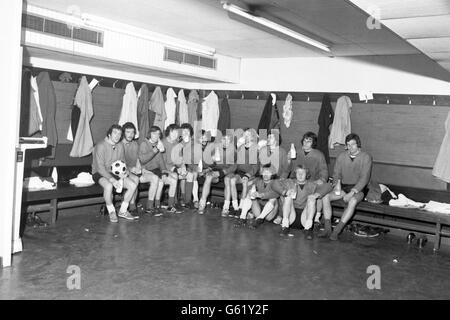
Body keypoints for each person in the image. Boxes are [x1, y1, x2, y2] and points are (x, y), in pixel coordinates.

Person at [319, 133, 372, 240]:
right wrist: (336, 184)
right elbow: (336, 174)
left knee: (352, 201)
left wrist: (352, 192)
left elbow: (364, 179)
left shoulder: (366, 157)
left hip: (358, 189)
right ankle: (327, 228)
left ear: (358, 145)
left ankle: (337, 231)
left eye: (353, 144)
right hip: (343, 187)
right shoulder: (342, 156)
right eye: (348, 145)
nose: (350, 147)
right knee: (325, 197)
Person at [92, 124, 138, 223]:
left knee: (133, 185)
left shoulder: (120, 145)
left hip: (114, 172)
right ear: (109, 134)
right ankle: (112, 211)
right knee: (108, 186)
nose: (117, 136)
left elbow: (122, 161)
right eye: (115, 133)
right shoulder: (100, 146)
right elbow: (100, 168)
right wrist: (112, 179)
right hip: (99, 172)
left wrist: (124, 172)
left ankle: (123, 210)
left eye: (119, 134)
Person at [288, 131, 331, 222]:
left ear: (313, 143)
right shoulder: (297, 152)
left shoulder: (318, 154)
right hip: (297, 181)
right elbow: (289, 169)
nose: (306, 143)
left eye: (309, 141)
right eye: (305, 140)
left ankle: (316, 217)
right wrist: (288, 160)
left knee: (322, 190)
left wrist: (322, 179)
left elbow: (324, 170)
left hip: (312, 182)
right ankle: (285, 216)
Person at [281, 165, 329, 239]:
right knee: (287, 197)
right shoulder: (289, 182)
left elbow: (328, 186)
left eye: (302, 173)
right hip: (290, 217)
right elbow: (274, 183)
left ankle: (308, 229)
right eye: (298, 173)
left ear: (306, 175)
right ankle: (284, 226)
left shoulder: (312, 184)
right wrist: (285, 192)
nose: (300, 175)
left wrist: (316, 195)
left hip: (305, 219)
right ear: (295, 174)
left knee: (311, 199)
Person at [138, 125, 175, 215]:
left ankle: (167, 206)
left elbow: (160, 161)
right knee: (157, 179)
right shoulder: (144, 144)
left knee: (173, 180)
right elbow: (143, 160)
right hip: (144, 172)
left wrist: (164, 171)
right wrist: (156, 149)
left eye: (158, 134)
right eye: (154, 134)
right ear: (150, 134)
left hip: (155, 171)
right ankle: (149, 207)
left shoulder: (157, 144)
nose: (157, 136)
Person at [230, 128, 259, 213]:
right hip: (240, 173)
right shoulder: (241, 147)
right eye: (244, 135)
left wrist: (247, 175)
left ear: (252, 137)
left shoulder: (255, 148)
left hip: (250, 174)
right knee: (232, 181)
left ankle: (241, 207)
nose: (246, 137)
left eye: (248, 135)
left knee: (245, 182)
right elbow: (236, 162)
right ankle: (235, 206)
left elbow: (255, 167)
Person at [161, 123, 183, 212]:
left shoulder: (177, 143)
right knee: (175, 176)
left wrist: (183, 167)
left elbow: (180, 159)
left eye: (177, 133)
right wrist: (173, 169)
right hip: (162, 168)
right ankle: (174, 202)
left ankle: (172, 203)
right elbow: (162, 163)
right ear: (169, 132)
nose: (175, 135)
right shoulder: (162, 143)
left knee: (187, 175)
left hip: (172, 167)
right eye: (173, 132)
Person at [121, 122, 142, 215]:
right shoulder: (119, 144)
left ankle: (132, 205)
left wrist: (138, 167)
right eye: (128, 132)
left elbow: (138, 158)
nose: (130, 135)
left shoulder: (135, 144)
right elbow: (120, 163)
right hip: (122, 171)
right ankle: (132, 205)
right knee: (135, 181)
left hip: (132, 171)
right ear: (123, 133)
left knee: (136, 179)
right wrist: (130, 169)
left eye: (132, 132)